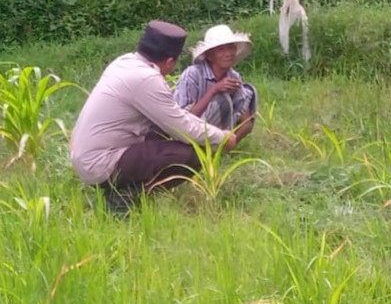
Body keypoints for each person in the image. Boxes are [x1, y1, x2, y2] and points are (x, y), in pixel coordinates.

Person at [70, 20, 239, 213]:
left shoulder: (125, 62)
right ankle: (124, 198)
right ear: (169, 61)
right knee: (191, 154)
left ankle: (123, 191)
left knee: (166, 134)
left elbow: (174, 113)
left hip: (87, 155)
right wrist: (223, 137)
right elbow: (182, 127)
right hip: (100, 163)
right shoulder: (147, 79)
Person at [174, 24, 258, 136]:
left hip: (220, 136)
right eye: (221, 49)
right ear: (209, 55)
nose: (228, 53)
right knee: (222, 101)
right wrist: (214, 90)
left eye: (230, 47)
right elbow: (183, 121)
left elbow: (246, 121)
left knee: (250, 92)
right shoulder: (192, 74)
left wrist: (230, 144)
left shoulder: (233, 76)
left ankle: (221, 149)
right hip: (191, 132)